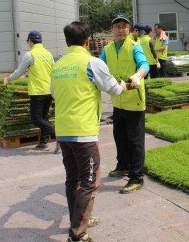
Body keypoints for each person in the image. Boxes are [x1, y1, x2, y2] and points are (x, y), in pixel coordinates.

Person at [50, 22, 126, 242]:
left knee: (72, 179)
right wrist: (126, 85)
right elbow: (113, 88)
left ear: (66, 42)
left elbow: (54, 94)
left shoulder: (58, 65)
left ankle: (80, 219)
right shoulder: (92, 63)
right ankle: (77, 233)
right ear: (88, 40)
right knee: (89, 182)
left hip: (63, 132)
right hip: (83, 133)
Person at [101, 13, 149, 194]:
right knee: (119, 136)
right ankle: (122, 165)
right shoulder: (107, 50)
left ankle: (136, 177)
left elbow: (144, 64)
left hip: (133, 101)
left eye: (124, 26)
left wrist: (138, 75)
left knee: (135, 141)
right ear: (112, 30)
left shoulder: (135, 47)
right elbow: (101, 68)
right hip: (117, 101)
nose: (120, 30)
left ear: (129, 29)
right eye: (117, 26)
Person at [4, 31, 57, 151]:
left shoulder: (30, 55)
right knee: (44, 117)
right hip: (49, 92)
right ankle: (44, 143)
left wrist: (8, 79)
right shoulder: (48, 54)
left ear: (29, 41)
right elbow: (54, 70)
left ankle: (58, 136)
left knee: (36, 119)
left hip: (38, 92)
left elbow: (19, 73)